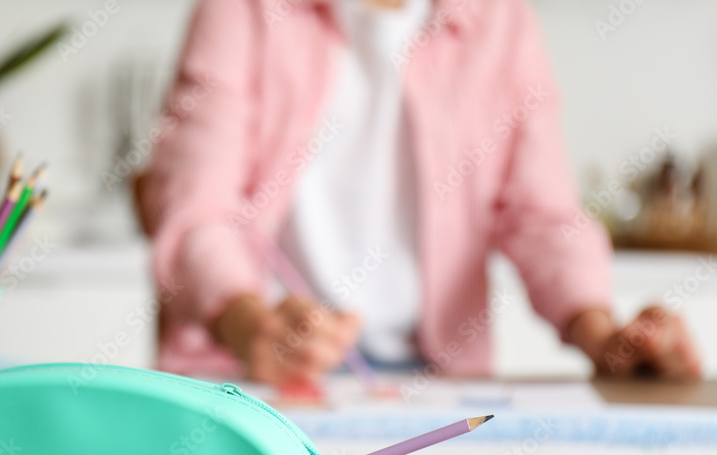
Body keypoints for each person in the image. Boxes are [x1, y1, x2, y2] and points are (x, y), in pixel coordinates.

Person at [136, 0, 701, 385]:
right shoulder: (243, 12)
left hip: (435, 386)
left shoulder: (498, 18)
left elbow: (542, 216)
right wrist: (247, 322)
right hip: (250, 376)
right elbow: (195, 213)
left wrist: (604, 336)